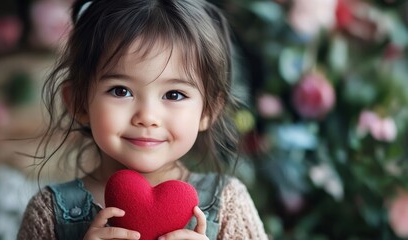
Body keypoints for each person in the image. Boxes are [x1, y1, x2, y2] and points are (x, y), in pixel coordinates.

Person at [17, 0, 268, 239]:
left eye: (174, 94)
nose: (147, 117)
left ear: (208, 110)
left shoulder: (228, 203)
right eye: (120, 91)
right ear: (79, 102)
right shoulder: (49, 212)